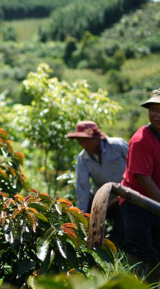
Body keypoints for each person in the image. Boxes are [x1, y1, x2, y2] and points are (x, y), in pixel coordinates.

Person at [119, 89, 160, 284]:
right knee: (142, 250)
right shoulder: (142, 139)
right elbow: (144, 180)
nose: (157, 114)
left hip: (156, 199)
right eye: (153, 109)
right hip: (137, 201)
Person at [66, 121, 127, 244]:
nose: (83, 145)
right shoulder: (83, 159)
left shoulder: (118, 146)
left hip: (124, 196)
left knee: (121, 232)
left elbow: (135, 164)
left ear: (96, 138)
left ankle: (118, 248)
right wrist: (81, 215)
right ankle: (94, 244)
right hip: (101, 196)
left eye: (86, 140)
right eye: (80, 141)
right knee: (92, 224)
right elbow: (82, 187)